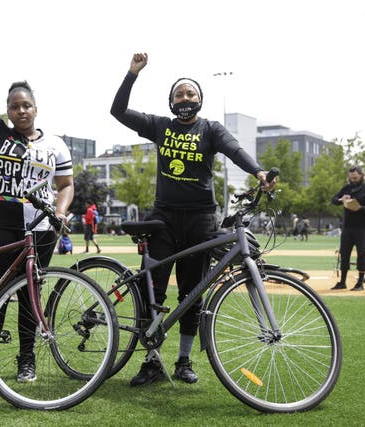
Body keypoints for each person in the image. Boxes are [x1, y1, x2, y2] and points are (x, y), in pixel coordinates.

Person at [110, 52, 275, 386]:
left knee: (192, 294)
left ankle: (183, 361)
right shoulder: (160, 126)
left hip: (201, 221)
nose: (185, 99)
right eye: (179, 95)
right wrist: (131, 74)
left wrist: (258, 171)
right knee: (153, 291)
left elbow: (235, 150)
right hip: (163, 221)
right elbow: (118, 111)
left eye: (191, 95)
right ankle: (152, 361)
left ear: (200, 101)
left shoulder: (211, 129)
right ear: (170, 101)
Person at [0, 34, 74, 390]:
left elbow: (66, 186)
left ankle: (26, 359)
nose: (20, 110)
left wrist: (60, 212)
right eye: (14, 106)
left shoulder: (56, 144)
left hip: (41, 230)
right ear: (8, 110)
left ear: (35, 107)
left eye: (26, 105)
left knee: (31, 296)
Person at [330, 166, 365, 291]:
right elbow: (333, 200)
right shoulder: (347, 188)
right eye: (351, 178)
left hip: (361, 228)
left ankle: (360, 283)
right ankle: (342, 282)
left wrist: (360, 208)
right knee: (344, 255)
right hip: (347, 227)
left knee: (361, 255)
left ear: (361, 175)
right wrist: (341, 200)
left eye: (355, 177)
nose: (353, 180)